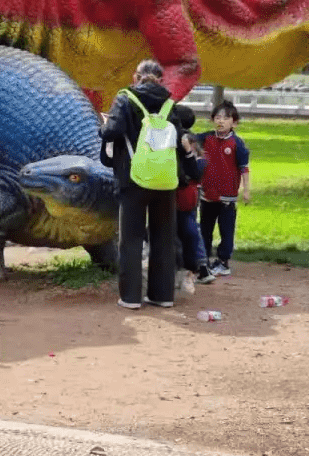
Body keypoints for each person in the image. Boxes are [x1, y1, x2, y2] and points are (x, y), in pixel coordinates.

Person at [99, 60, 194, 309]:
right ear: (161, 80)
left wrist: (105, 125)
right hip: (165, 181)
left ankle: (130, 297)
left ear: (135, 77)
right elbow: (180, 138)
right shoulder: (169, 104)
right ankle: (162, 295)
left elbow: (111, 132)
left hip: (134, 180)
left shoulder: (125, 98)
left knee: (131, 239)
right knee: (163, 237)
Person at [198, 101, 251, 277]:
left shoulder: (237, 144)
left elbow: (244, 167)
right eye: (217, 117)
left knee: (226, 230)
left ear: (234, 123)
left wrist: (246, 190)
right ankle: (203, 260)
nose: (221, 121)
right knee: (205, 228)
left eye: (226, 118)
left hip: (227, 197)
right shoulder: (206, 138)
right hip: (207, 195)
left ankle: (223, 261)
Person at [178, 131, 215, 286]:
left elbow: (193, 173)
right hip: (180, 200)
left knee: (191, 229)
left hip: (188, 201)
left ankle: (201, 265)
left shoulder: (199, 160)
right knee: (183, 231)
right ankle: (188, 265)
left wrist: (187, 153)